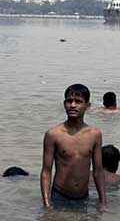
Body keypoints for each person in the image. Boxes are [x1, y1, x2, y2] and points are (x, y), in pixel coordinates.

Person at [41, 84, 107, 212]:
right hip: (59, 195)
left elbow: (98, 171)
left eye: (78, 101)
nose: (72, 105)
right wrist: (46, 203)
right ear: (64, 103)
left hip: (83, 197)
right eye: (69, 101)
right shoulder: (53, 134)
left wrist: (103, 201)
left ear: (87, 106)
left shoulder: (94, 135)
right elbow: (46, 171)